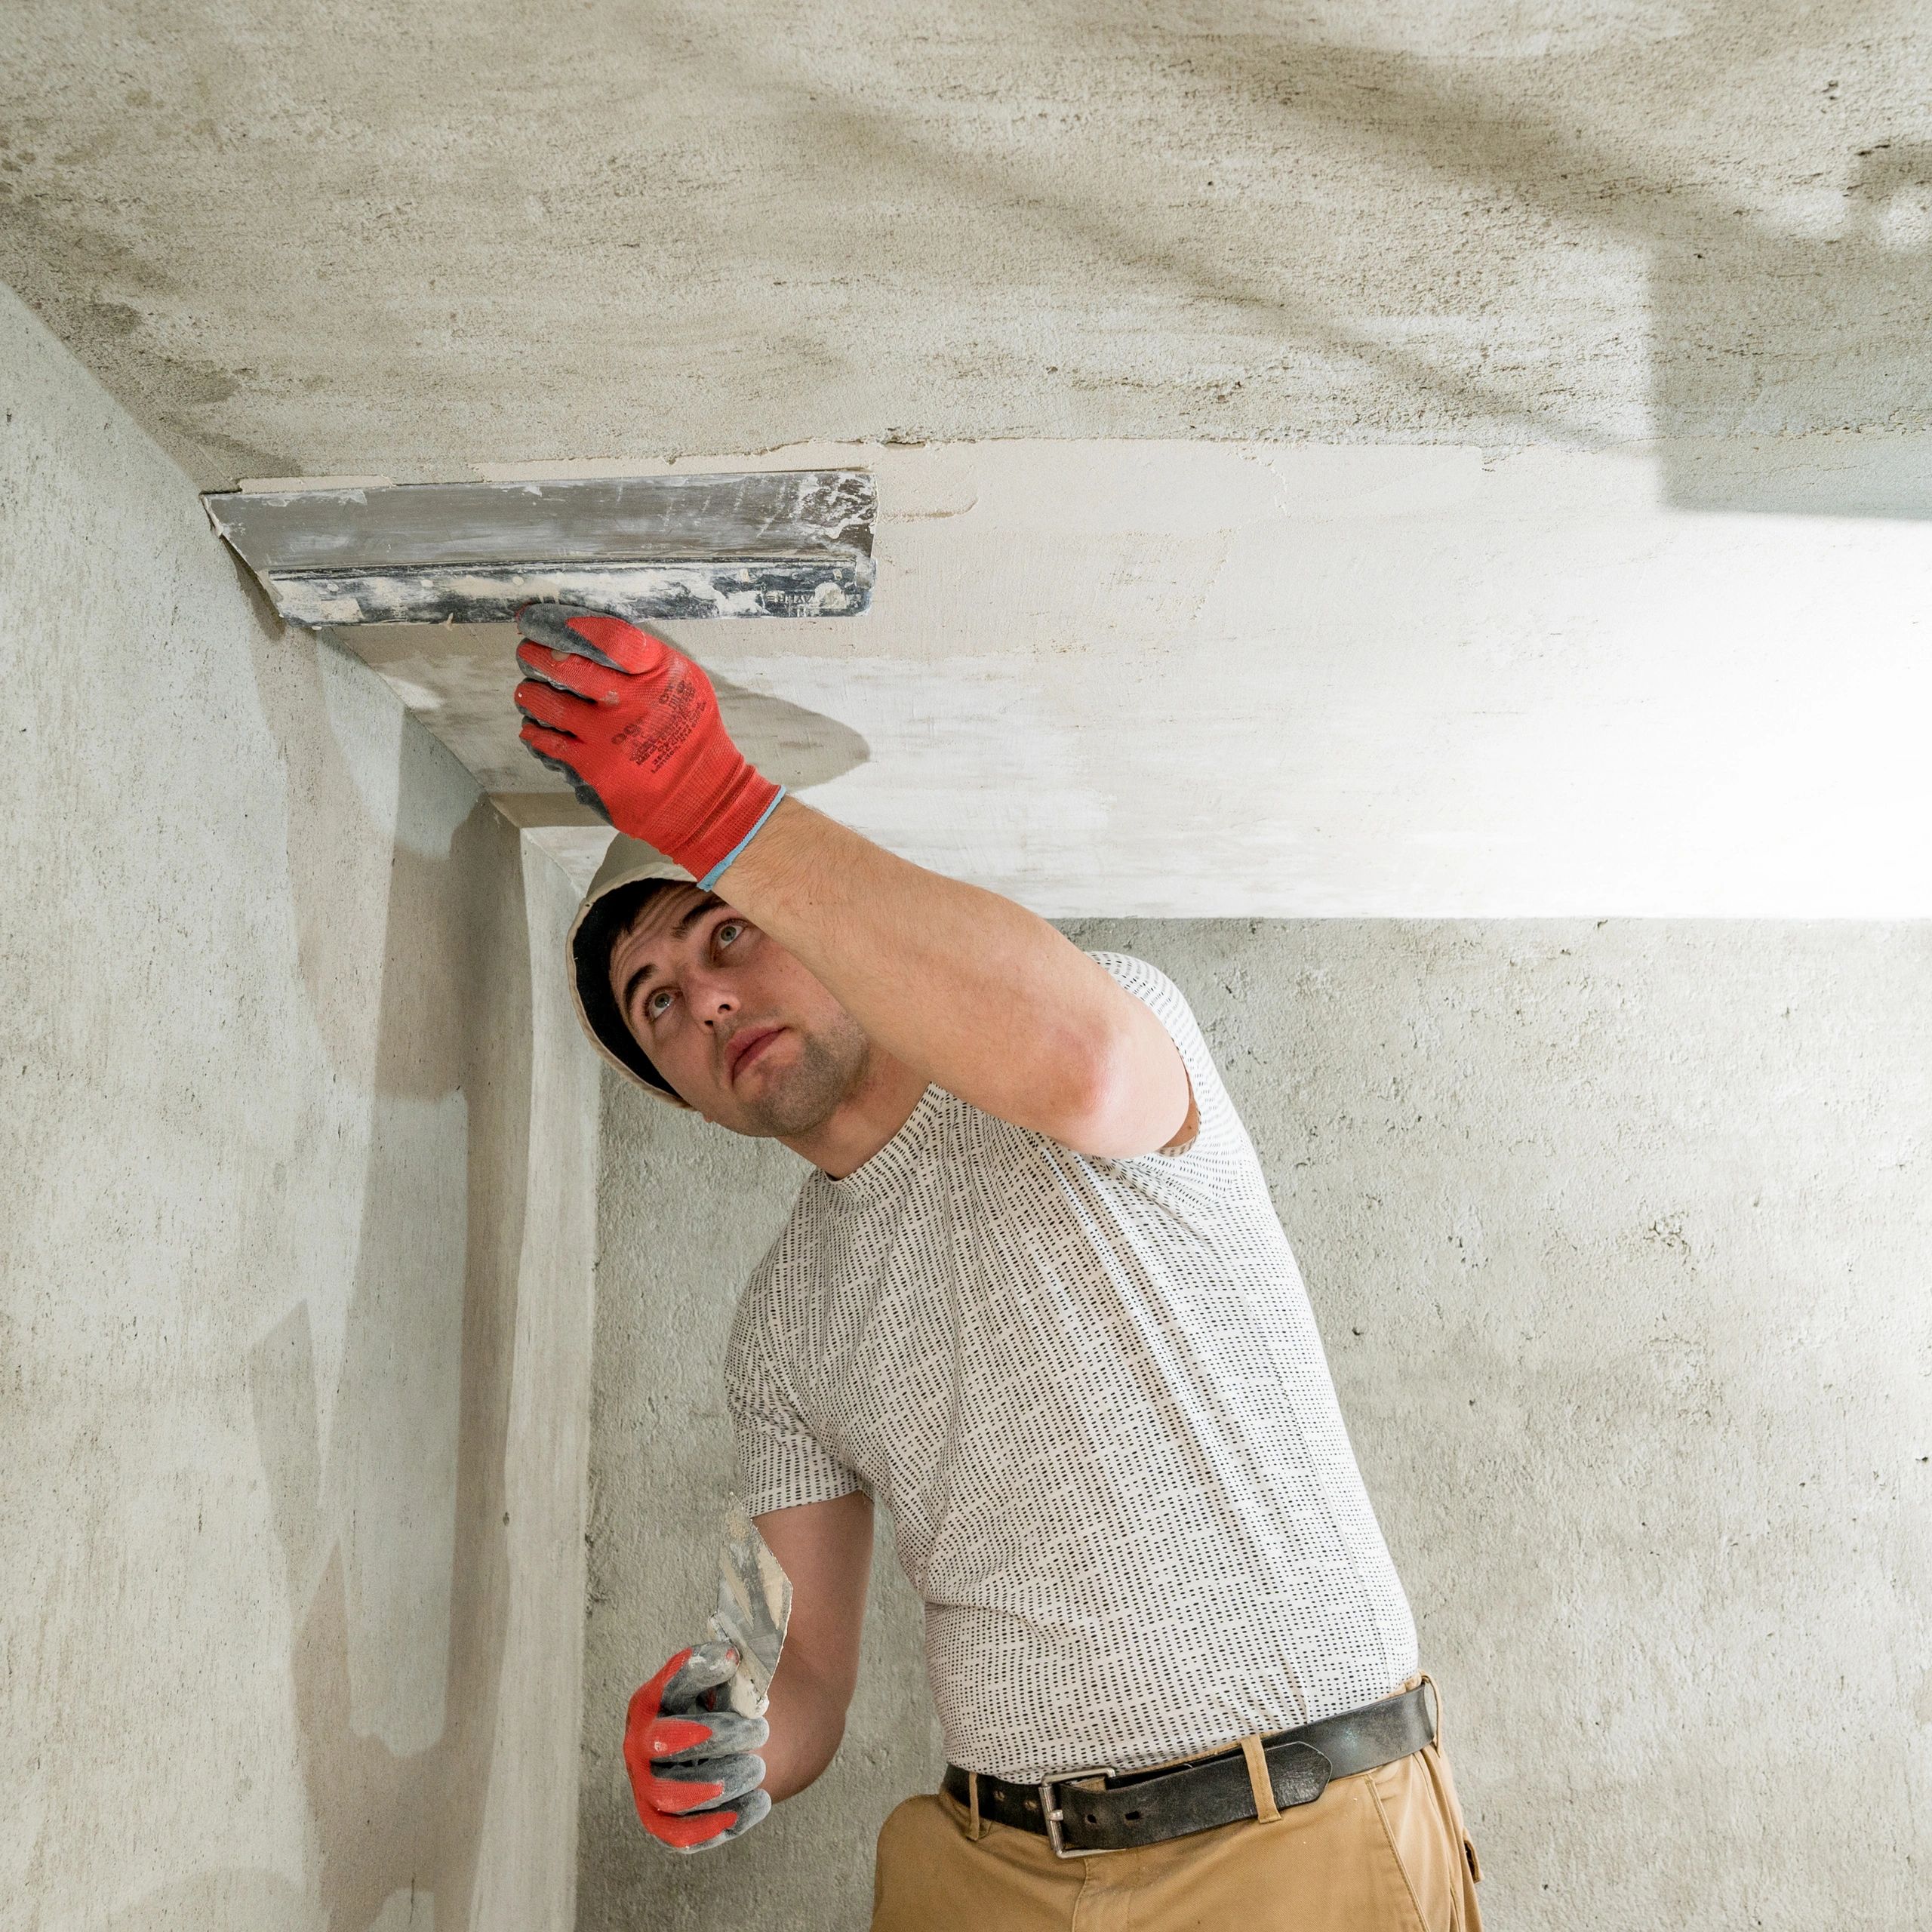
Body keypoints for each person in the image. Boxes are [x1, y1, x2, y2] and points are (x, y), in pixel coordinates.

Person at [514, 605, 1483, 1930]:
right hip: (988, 1868)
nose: (707, 999)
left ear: (822, 918)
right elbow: (801, 1672)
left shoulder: (1107, 1023)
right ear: (679, 1094)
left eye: (723, 933)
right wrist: (721, 1740)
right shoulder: (778, 1329)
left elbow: (1083, 1068)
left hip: (1288, 1832)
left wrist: (719, 802)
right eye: (658, 1003)